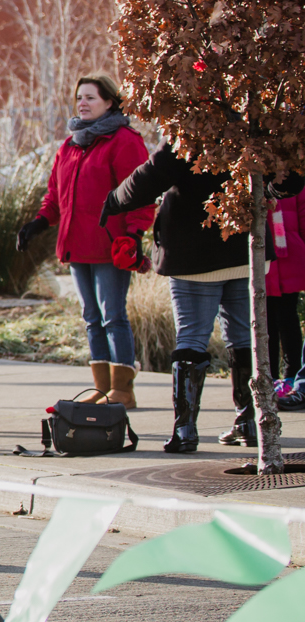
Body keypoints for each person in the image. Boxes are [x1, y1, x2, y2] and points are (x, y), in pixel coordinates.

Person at [103, 136, 253, 452]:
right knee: (243, 337)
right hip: (245, 249)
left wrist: (115, 200)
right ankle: (248, 421)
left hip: (194, 252)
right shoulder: (248, 120)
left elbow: (152, 175)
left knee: (191, 339)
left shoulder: (193, 127)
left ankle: (185, 430)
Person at [15, 75, 153, 408]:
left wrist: (134, 234)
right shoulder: (71, 145)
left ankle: (123, 389)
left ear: (109, 102)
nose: (83, 103)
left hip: (110, 247)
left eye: (91, 97)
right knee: (91, 316)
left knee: (112, 315)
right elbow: (55, 194)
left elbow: (141, 193)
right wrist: (39, 223)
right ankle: (103, 387)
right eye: (79, 97)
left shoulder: (124, 141)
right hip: (77, 246)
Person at [267, 177, 305, 408]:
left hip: (289, 256)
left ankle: (290, 377)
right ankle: (269, 378)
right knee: (267, 322)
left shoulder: (295, 180)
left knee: (287, 318)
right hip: (266, 259)